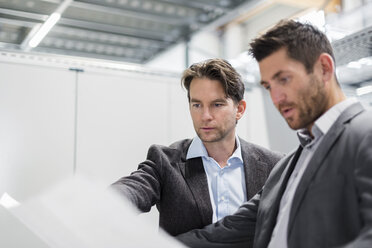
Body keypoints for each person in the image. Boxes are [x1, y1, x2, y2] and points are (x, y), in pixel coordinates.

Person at [177, 20, 372, 248]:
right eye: (269, 86)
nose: (277, 98)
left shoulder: (364, 135)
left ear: (324, 69)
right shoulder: (286, 165)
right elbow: (229, 231)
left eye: (284, 79)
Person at [111, 58, 283, 236]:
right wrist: (102, 202)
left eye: (217, 104)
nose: (205, 116)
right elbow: (134, 188)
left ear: (239, 109)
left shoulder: (274, 165)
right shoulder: (165, 162)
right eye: (197, 105)